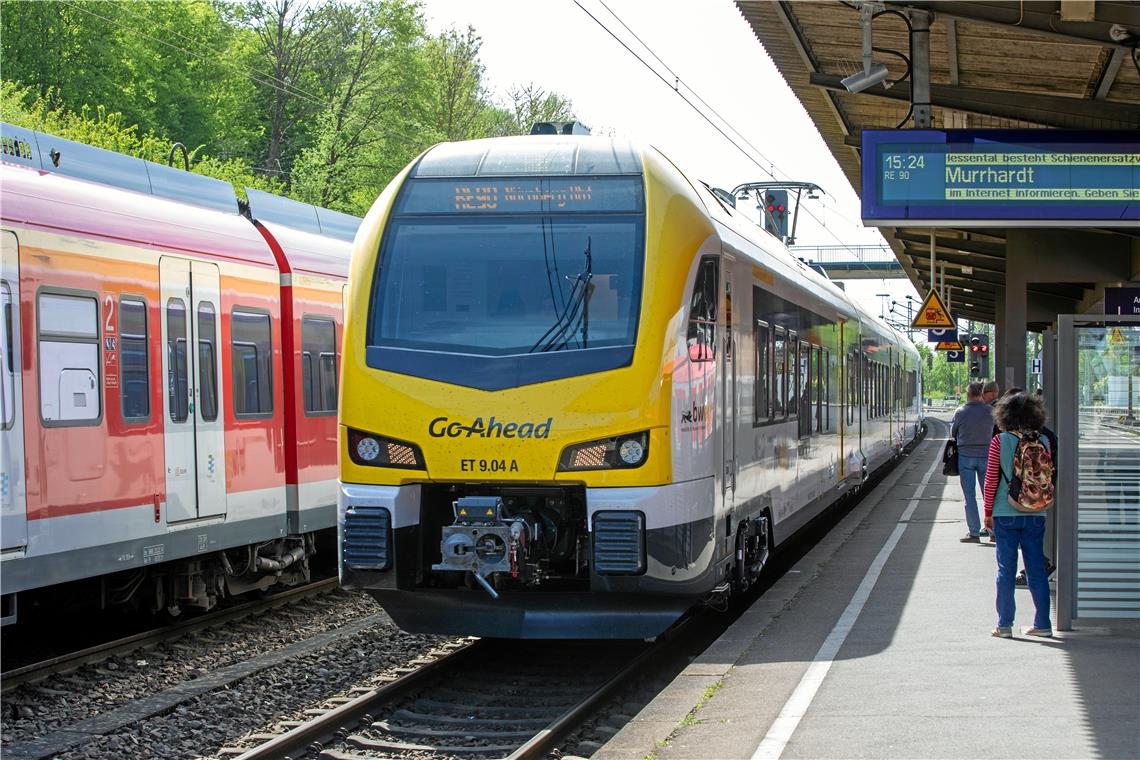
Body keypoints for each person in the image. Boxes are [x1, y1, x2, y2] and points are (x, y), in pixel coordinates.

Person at [983, 391, 1053, 638]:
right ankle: (1043, 624)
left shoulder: (999, 441)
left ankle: (1004, 625)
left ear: (1005, 415)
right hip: (1036, 512)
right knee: (1036, 569)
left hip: (1005, 512)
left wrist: (988, 512)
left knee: (1006, 568)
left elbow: (991, 480)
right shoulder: (1042, 441)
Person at [951, 381, 993, 542]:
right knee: (988, 496)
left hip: (965, 456)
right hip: (986, 456)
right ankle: (992, 531)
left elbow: (953, 432)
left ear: (968, 394)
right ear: (981, 394)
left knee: (969, 496)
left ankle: (974, 533)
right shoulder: (990, 411)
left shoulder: (961, 412)